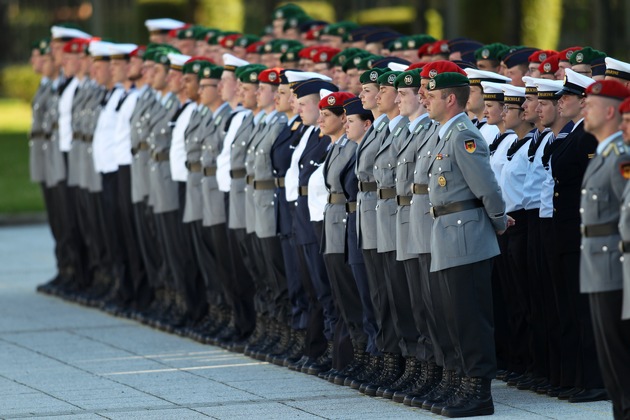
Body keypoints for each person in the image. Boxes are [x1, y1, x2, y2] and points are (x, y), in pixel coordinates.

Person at [421, 72, 510, 418]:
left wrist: (499, 222)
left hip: (467, 235)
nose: (425, 100)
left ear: (451, 100)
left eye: (432, 95)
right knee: (454, 316)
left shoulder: (464, 136)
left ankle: (479, 390)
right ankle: (462, 383)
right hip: (447, 233)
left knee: (472, 317)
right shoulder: (444, 135)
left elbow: (486, 187)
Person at [581, 80, 630, 418]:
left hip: (614, 263)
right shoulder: (603, 154)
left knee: (619, 351)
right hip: (596, 263)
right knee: (608, 355)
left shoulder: (620, 158)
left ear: (611, 110)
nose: (585, 108)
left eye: (591, 104)